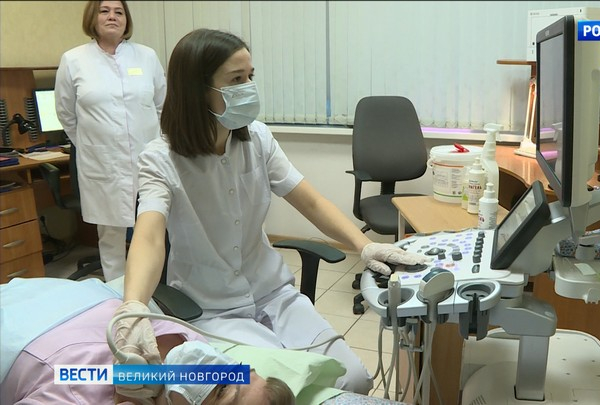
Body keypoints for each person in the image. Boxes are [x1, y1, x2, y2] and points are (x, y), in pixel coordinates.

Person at [116, 28, 429, 401]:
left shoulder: (258, 139)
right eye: (236, 79)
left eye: (250, 76)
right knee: (286, 393)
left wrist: (364, 246)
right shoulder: (160, 159)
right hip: (216, 312)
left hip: (274, 293)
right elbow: (149, 236)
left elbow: (311, 202)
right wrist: (134, 306)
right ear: (197, 90)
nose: (249, 88)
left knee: (354, 380)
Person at [0, 278, 293, 405]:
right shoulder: (192, 341)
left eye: (223, 388)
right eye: (239, 369)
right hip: (63, 292)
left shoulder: (73, 391)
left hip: (15, 321)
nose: (218, 368)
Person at [55, 0, 167, 281]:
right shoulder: (73, 59)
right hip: (103, 162)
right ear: (92, 18)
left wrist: (158, 144)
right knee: (110, 234)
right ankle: (117, 291)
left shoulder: (146, 56)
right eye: (104, 11)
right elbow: (66, 113)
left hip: (148, 158)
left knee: (155, 223)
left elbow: (162, 106)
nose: (112, 16)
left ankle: (157, 284)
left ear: (126, 19)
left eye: (119, 12)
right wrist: (92, 145)